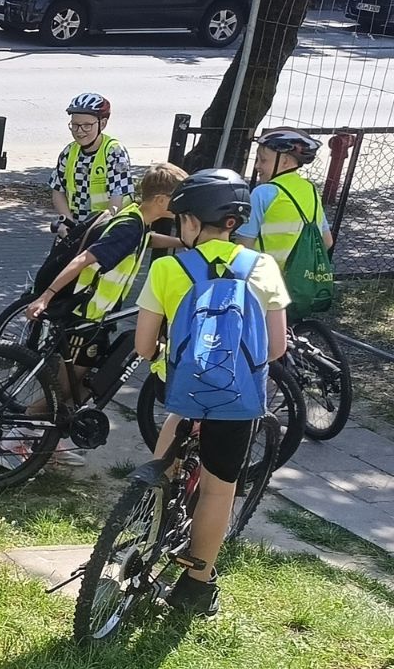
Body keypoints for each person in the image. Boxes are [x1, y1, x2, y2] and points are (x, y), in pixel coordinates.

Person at [133, 169, 289, 616]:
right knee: (220, 491)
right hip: (237, 400)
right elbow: (276, 347)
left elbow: (144, 346)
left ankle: (146, 521)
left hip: (181, 390)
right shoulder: (263, 268)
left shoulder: (167, 268)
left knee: (165, 461)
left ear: (194, 223)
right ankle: (196, 585)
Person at [21, 162, 188, 464]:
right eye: (179, 199)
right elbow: (84, 259)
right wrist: (46, 296)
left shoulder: (136, 221)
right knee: (64, 388)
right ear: (162, 201)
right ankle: (22, 436)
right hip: (85, 318)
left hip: (97, 319)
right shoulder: (129, 227)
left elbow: (147, 241)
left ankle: (48, 438)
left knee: (84, 385)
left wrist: (181, 242)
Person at [238, 128, 334, 270]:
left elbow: (244, 246)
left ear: (285, 161)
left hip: (264, 281)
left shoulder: (263, 193)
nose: (257, 165)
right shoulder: (311, 190)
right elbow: (327, 241)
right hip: (299, 283)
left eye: (263, 160)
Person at [49, 93, 132, 225]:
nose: (79, 131)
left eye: (87, 125)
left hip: (110, 227)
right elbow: (58, 191)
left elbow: (118, 196)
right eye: (75, 125)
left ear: (102, 124)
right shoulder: (69, 152)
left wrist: (98, 228)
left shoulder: (114, 152)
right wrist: (67, 223)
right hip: (77, 226)